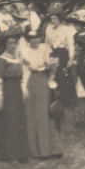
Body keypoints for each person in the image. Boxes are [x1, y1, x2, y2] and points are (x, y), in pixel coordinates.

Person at [21, 29, 64, 158]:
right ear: (28, 40)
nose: (35, 40)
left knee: (46, 113)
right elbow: (29, 68)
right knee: (33, 114)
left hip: (45, 80)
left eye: (37, 37)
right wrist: (23, 88)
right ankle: (36, 150)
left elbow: (52, 65)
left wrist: (51, 76)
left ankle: (50, 149)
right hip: (32, 81)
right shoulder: (25, 51)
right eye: (32, 38)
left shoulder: (45, 48)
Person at [0, 29, 31, 162]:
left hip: (17, 91)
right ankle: (7, 154)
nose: (13, 46)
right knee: (9, 121)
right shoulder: (1, 60)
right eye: (10, 43)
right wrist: (0, 98)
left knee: (18, 121)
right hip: (7, 91)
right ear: (5, 44)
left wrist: (23, 90)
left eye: (15, 43)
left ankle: (20, 153)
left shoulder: (16, 59)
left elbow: (20, 77)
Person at [45, 4, 77, 107]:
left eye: (54, 19)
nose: (52, 21)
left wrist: (71, 58)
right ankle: (53, 100)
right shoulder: (49, 29)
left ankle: (66, 101)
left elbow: (70, 44)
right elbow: (46, 43)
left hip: (63, 54)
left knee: (63, 76)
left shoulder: (66, 29)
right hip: (52, 53)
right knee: (52, 76)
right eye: (51, 19)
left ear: (59, 19)